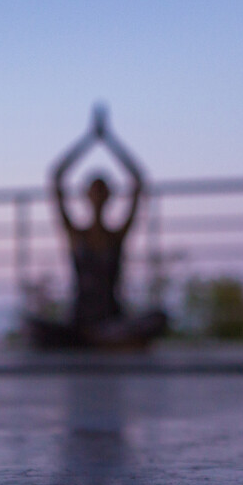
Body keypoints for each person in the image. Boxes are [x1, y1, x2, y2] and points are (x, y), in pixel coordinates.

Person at [27, 104, 168, 349]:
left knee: (159, 318)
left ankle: (100, 341)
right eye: (94, 189)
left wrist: (110, 140)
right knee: (32, 326)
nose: (98, 195)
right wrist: (90, 139)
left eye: (103, 190)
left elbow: (138, 181)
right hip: (80, 323)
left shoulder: (117, 236)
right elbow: (56, 178)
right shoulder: (75, 235)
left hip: (113, 321)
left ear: (110, 196)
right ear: (86, 195)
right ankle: (105, 343)